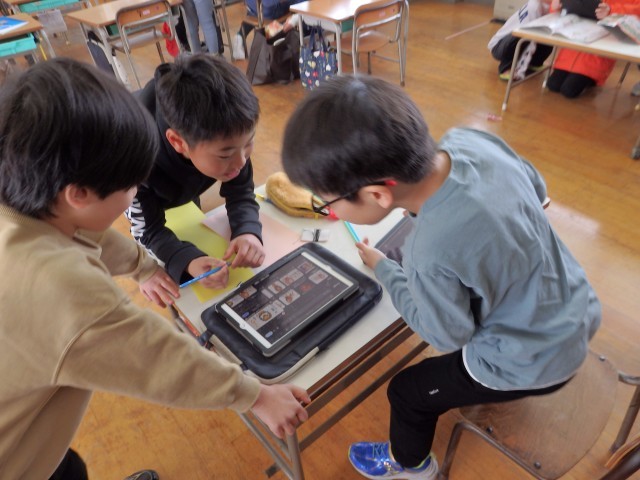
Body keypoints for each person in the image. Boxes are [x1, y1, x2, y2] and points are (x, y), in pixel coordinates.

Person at [0, 58, 310, 480]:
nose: (135, 193)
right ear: (79, 194)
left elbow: (81, 232)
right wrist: (256, 396)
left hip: (28, 423)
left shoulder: (27, 201)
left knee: (65, 467)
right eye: (131, 186)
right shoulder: (60, 291)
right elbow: (158, 359)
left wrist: (143, 267)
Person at [281, 75, 601, 480]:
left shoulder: (426, 251)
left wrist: (386, 268)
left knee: (406, 392)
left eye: (328, 203)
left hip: (533, 361)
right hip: (578, 306)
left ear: (378, 194)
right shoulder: (471, 141)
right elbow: (538, 192)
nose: (331, 211)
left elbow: (448, 335)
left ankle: (411, 465)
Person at [126, 54, 266, 291]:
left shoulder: (229, 139)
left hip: (181, 168)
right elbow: (147, 231)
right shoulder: (132, 163)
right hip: (140, 174)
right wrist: (187, 259)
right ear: (178, 142)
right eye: (225, 155)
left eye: (248, 143)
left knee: (191, 201)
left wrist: (247, 230)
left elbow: (241, 192)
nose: (241, 161)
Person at [547, 0, 640, 98]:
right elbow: (560, 10)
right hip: (575, 42)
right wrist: (555, 7)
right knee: (553, 85)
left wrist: (611, 10)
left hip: (599, 52)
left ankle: (591, 79)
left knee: (569, 90)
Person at [487, 0, 554, 80]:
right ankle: (507, 68)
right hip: (499, 46)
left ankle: (535, 63)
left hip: (512, 41)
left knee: (550, 33)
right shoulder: (535, 6)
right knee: (523, 35)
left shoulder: (552, 7)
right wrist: (520, 70)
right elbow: (531, 38)